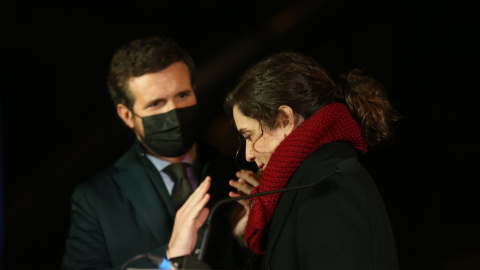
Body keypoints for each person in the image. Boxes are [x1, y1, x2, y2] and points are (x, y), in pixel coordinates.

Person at [61, 36, 248, 270]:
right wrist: (170, 257)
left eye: (182, 95)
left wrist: (249, 240)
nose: (174, 112)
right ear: (126, 115)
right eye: (156, 104)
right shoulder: (97, 199)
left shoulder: (238, 169)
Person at [224, 51, 401, 269]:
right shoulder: (309, 181)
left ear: (284, 120)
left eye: (250, 136)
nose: (248, 154)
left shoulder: (328, 185)